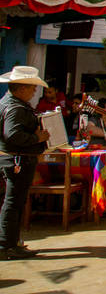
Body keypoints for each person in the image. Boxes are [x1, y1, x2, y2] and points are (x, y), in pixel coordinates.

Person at [0, 66, 50, 260]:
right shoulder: (15, 108)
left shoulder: (8, 103)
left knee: (13, 202)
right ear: (21, 88)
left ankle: (10, 241)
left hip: (11, 158)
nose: (34, 91)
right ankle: (7, 244)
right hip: (16, 159)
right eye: (31, 87)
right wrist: (36, 138)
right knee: (13, 202)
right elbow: (12, 135)